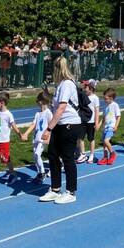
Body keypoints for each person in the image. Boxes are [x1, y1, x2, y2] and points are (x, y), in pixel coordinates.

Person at [39, 57, 86, 204]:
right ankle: (55, 188)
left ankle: (71, 191)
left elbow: (61, 108)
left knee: (67, 158)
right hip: (60, 124)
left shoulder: (67, 84)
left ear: (57, 69)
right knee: (53, 156)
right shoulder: (59, 85)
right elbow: (55, 107)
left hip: (69, 124)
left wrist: (48, 128)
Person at [21, 91, 53, 184]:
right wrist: (26, 133)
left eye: (38, 100)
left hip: (43, 139)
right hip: (36, 137)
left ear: (41, 101)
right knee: (35, 157)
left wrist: (49, 137)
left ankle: (42, 173)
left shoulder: (48, 113)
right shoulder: (37, 114)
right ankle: (39, 173)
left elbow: (51, 125)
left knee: (37, 154)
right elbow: (33, 124)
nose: (37, 103)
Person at [76, 80, 100, 164]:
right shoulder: (83, 96)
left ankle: (92, 154)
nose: (84, 89)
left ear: (91, 89)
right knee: (80, 137)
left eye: (86, 87)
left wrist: (96, 122)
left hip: (91, 121)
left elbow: (97, 111)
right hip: (82, 120)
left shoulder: (95, 98)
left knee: (91, 138)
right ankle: (82, 154)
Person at [98, 88, 121, 166]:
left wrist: (116, 126)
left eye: (106, 99)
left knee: (106, 141)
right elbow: (104, 118)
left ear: (111, 98)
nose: (105, 100)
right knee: (104, 145)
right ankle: (105, 157)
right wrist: (100, 125)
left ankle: (112, 153)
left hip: (111, 127)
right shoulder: (106, 107)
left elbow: (118, 116)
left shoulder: (115, 105)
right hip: (106, 127)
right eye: (104, 99)